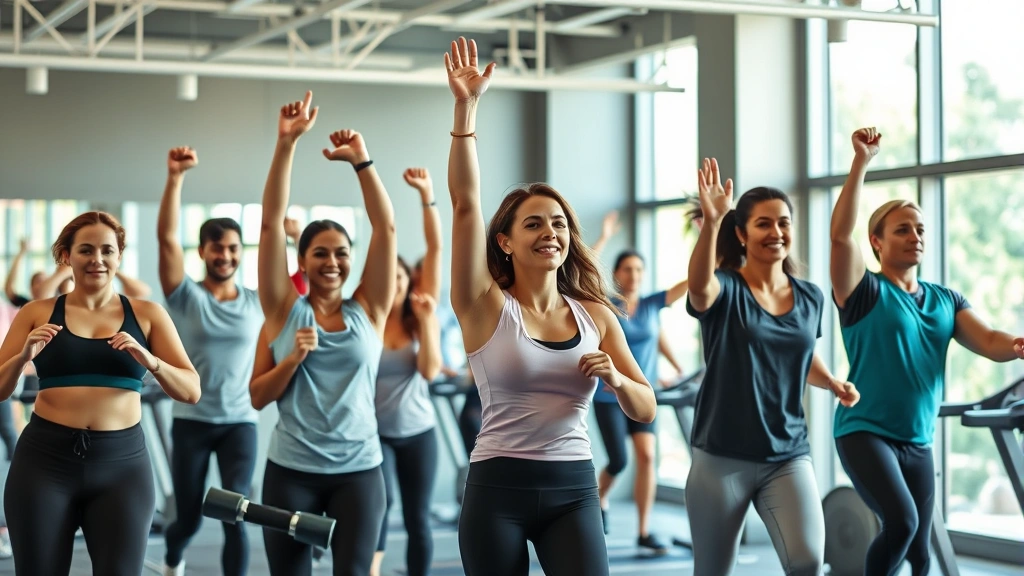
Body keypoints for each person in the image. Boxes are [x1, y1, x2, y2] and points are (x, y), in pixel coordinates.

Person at [443, 37, 656, 576]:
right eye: (533, 223)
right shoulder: (483, 305)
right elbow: (466, 205)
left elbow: (645, 407)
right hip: (497, 489)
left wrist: (618, 380)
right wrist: (466, 110)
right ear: (505, 242)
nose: (550, 232)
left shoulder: (595, 314)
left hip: (574, 489)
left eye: (558, 223)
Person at [829, 127, 1024, 576]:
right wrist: (860, 162)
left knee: (920, 552)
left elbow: (989, 340)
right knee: (902, 523)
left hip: (918, 439)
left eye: (919, 229)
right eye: (902, 230)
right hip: (865, 432)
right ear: (877, 242)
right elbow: (840, 238)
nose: (915, 236)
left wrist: (1016, 345)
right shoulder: (863, 291)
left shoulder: (946, 300)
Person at [0, 211, 200, 576]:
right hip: (44, 463)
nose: (98, 259)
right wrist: (23, 357)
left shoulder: (147, 314)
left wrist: (152, 362)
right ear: (66, 256)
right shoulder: (36, 312)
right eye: (86, 250)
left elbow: (191, 391)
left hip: (122, 467)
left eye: (107, 250)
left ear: (119, 256)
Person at [685, 159, 859, 576]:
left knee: (807, 561)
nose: (776, 232)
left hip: (787, 453)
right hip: (721, 456)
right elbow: (699, 288)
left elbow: (800, 354)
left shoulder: (810, 296)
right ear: (742, 234)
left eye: (783, 222)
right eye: (763, 224)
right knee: (713, 572)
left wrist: (832, 381)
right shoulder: (726, 288)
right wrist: (712, 221)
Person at [250, 90, 396, 576]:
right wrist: (286, 143)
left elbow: (386, 229)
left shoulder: (370, 309)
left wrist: (362, 163)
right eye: (320, 253)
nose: (332, 262)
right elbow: (270, 225)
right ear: (302, 260)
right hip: (291, 472)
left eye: (341, 253)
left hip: (360, 472)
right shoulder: (282, 311)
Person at [156, 146, 264, 576]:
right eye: (217, 248)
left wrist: (293, 238)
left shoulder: (255, 301)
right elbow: (167, 240)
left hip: (240, 423)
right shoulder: (186, 297)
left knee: (236, 515)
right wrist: (175, 178)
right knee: (188, 518)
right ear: (202, 251)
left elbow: (297, 286)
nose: (226, 256)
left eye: (233, 248)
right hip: (192, 422)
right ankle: (172, 559)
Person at [589, 210, 688, 551]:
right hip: (608, 395)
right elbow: (585, 270)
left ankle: (644, 531)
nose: (633, 275)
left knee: (646, 456)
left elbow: (659, 336)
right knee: (619, 461)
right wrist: (604, 236)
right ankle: (599, 499)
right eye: (627, 269)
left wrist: (677, 368)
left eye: (638, 270)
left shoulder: (650, 305)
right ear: (617, 274)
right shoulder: (607, 304)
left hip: (643, 394)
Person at [370, 168, 443, 576]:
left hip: (418, 432)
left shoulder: (419, 316)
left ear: (407, 280)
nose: (394, 282)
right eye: (388, 277)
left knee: (418, 517)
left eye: (399, 276)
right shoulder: (366, 319)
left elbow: (429, 372)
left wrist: (426, 197)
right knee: (378, 508)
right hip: (374, 433)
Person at [6, 238, 151, 305]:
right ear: (31, 287)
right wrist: (63, 271)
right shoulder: (34, 304)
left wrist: (111, 267)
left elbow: (142, 292)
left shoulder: (79, 297)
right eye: (39, 281)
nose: (45, 281)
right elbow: (40, 296)